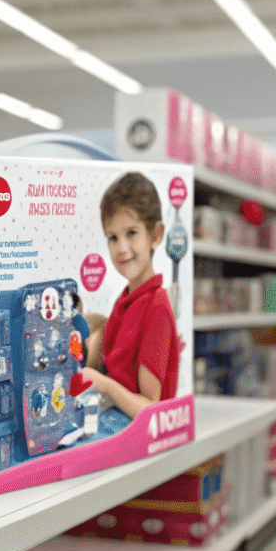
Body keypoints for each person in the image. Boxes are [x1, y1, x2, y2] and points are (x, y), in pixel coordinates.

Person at [81, 172, 180, 420]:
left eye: (131, 233)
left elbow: (150, 408)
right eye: (113, 238)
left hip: (135, 434)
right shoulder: (127, 300)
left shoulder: (155, 306)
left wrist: (102, 384)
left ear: (156, 236)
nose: (122, 248)